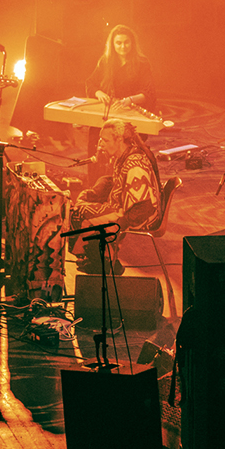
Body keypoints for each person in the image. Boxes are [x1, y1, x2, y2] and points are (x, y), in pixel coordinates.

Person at [68, 120, 162, 269]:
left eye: (105, 140)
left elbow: (144, 207)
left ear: (119, 140)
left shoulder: (134, 165)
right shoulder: (123, 156)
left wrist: (118, 225)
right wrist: (95, 193)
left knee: (78, 214)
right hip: (126, 209)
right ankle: (99, 258)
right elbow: (114, 182)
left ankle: (105, 262)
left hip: (138, 216)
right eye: (100, 140)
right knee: (81, 207)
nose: (100, 145)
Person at [87, 24, 157, 112]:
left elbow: (149, 92)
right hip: (110, 109)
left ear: (132, 43)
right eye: (118, 43)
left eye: (126, 42)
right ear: (113, 44)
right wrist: (98, 93)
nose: (123, 46)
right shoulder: (105, 61)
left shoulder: (142, 63)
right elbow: (90, 83)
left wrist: (130, 100)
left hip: (133, 110)